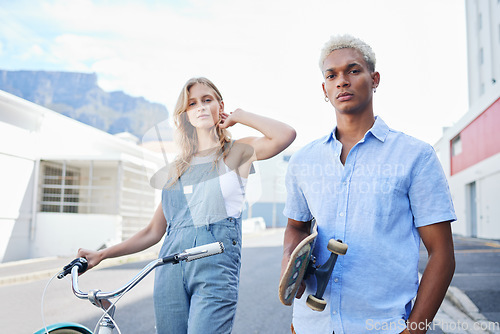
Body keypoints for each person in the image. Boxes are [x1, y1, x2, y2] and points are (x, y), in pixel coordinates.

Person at [78, 77, 296, 334]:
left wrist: (240, 115)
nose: (201, 107)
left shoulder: (237, 152)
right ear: (185, 116)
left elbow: (285, 135)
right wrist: (102, 255)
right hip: (169, 271)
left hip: (214, 268)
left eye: (207, 100)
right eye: (192, 104)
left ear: (219, 106)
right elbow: (153, 232)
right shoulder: (176, 169)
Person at [280, 34, 456, 334]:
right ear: (324, 89)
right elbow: (297, 226)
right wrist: (290, 261)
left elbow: (442, 254)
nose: (342, 81)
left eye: (353, 70)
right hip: (312, 325)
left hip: (383, 326)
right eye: (331, 75)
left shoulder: (416, 156)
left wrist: (416, 329)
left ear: (374, 79)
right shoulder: (303, 161)